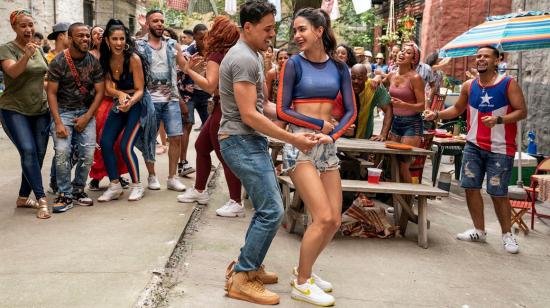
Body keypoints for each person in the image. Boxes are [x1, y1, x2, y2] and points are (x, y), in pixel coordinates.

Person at [221, 1, 316, 305]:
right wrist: (293, 139)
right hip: (241, 141)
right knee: (272, 211)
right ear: (247, 28)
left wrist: (306, 120)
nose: (273, 34)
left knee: (267, 208)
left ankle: (247, 266)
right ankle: (242, 277)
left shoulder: (251, 55)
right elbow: (250, 115)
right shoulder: (243, 59)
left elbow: (264, 107)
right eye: (268, 28)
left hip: (247, 141)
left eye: (273, 28)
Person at [277, 7, 356, 306]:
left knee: (334, 220)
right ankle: (301, 283)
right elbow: (283, 110)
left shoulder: (339, 68)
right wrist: (318, 125)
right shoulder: (293, 65)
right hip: (300, 145)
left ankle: (305, 272)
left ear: (319, 31)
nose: (296, 36)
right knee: (321, 216)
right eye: (295, 30)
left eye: (302, 30)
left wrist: (332, 135)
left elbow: (351, 111)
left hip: (327, 146)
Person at [424, 46, 527, 254]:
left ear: (497, 60)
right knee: (470, 188)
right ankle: (479, 231)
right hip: (473, 145)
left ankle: (507, 235)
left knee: (498, 193)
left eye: (486, 56)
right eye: (478, 56)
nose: (480, 59)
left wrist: (499, 120)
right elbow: (457, 109)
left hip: (501, 148)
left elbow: (521, 111)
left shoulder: (508, 83)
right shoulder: (469, 85)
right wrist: (436, 115)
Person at [176, 16, 243, 217]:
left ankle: (236, 201)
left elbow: (210, 85)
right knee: (201, 147)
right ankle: (199, 190)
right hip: (223, 106)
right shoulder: (232, 53)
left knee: (224, 156)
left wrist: (189, 70)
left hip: (223, 108)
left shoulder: (216, 55)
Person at [47, 22, 104, 212]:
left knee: (87, 155)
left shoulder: (94, 62)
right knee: (62, 153)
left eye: (87, 35)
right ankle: (64, 194)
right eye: (80, 36)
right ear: (70, 39)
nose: (85, 39)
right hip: (63, 112)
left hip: (86, 112)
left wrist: (87, 117)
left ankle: (78, 189)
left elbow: (99, 92)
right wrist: (58, 122)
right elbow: (52, 94)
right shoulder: (58, 62)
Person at [0, 9, 51, 219]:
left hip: (40, 109)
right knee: (28, 151)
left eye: (31, 24)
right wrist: (27, 55)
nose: (28, 29)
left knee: (37, 156)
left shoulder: (38, 49)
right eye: (23, 25)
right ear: (14, 27)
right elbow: (13, 72)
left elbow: (43, 78)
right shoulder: (6, 49)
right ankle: (41, 200)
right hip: (14, 109)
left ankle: (23, 197)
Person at [96, 19, 153, 202]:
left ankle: (137, 185)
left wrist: (129, 101)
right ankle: (114, 185)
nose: (119, 43)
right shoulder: (105, 59)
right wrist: (119, 94)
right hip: (119, 103)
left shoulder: (133, 59)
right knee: (105, 142)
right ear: (107, 41)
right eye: (115, 39)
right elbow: (107, 89)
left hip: (137, 104)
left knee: (125, 146)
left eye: (122, 38)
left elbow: (140, 90)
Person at [136, 9, 188, 191]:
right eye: (155, 21)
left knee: (175, 137)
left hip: (170, 98)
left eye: (161, 21)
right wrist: (142, 31)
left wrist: (192, 68)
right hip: (149, 100)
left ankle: (172, 177)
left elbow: (183, 65)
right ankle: (151, 176)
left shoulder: (173, 44)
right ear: (148, 24)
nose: (159, 24)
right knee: (149, 138)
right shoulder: (140, 45)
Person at [88, 25, 130, 191]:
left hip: (117, 102)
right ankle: (96, 177)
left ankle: (117, 175)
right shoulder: (90, 55)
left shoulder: (116, 55)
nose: (98, 34)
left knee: (118, 142)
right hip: (100, 103)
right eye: (95, 32)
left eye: (101, 31)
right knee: (100, 142)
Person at [382, 43, 425, 184]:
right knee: (391, 162)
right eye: (401, 51)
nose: (401, 53)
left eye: (407, 53)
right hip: (396, 122)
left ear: (413, 60)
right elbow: (381, 82)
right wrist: (377, 79)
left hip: (412, 124)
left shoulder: (415, 78)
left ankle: (407, 203)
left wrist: (403, 105)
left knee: (403, 166)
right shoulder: (392, 75)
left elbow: (422, 106)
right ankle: (394, 202)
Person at [179, 23, 209, 176]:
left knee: (212, 127)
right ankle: (182, 163)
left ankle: (208, 162)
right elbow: (179, 72)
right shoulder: (188, 52)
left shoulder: (213, 52)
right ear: (195, 38)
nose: (204, 41)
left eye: (206, 37)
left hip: (206, 94)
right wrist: (190, 70)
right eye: (201, 38)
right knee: (187, 124)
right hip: (189, 94)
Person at [350, 63, 392, 140]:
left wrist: (383, 134)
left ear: (366, 78)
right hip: (343, 135)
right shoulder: (344, 86)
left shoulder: (373, 87)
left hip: (365, 136)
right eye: (353, 78)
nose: (356, 81)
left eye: (360, 78)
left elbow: (388, 109)